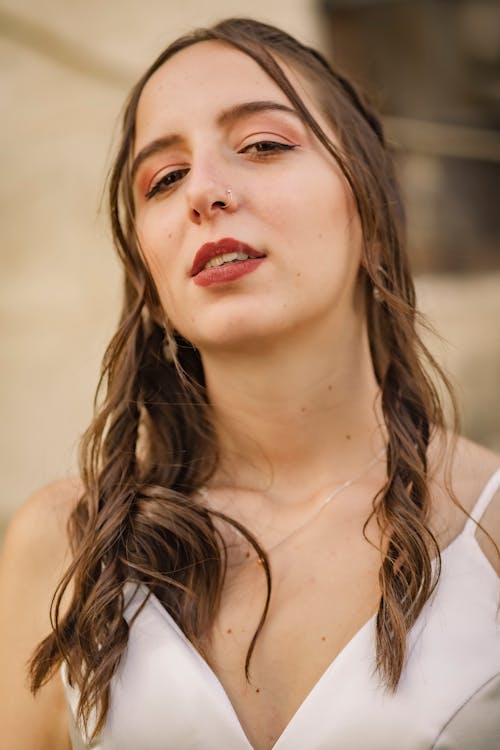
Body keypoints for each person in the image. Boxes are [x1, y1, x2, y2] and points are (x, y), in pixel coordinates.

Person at [0, 17, 499, 750]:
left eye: (264, 144)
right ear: (149, 273)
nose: (203, 190)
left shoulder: (489, 528)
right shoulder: (63, 547)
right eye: (164, 180)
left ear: (367, 204)